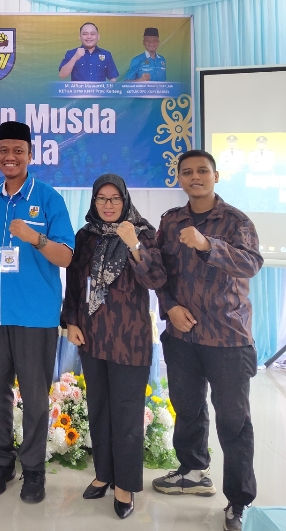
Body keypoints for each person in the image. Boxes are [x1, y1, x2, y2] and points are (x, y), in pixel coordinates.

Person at [152, 149, 263, 531]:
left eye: (202, 171)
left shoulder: (235, 220)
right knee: (187, 407)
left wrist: (207, 245)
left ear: (216, 175)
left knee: (233, 421)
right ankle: (193, 471)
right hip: (182, 335)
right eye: (187, 172)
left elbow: (251, 263)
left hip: (227, 337)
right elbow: (159, 272)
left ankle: (238, 500)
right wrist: (169, 307)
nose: (195, 177)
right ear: (179, 178)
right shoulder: (171, 221)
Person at [0, 121, 75, 504]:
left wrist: (35, 237)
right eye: (4, 150)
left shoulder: (49, 199)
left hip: (35, 316)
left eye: (18, 150)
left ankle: (33, 469)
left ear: (30, 155)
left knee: (34, 397)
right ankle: (1, 461)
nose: (10, 157)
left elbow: (65, 256)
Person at [62, 174, 166, 519]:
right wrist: (71, 321)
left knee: (126, 414)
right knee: (99, 408)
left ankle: (125, 485)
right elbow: (74, 283)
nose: (108, 205)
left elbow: (156, 279)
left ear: (125, 200)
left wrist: (133, 245)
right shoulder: (85, 236)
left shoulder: (143, 233)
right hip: (92, 336)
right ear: (94, 202)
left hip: (129, 340)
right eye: (101, 199)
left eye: (115, 198)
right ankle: (104, 474)